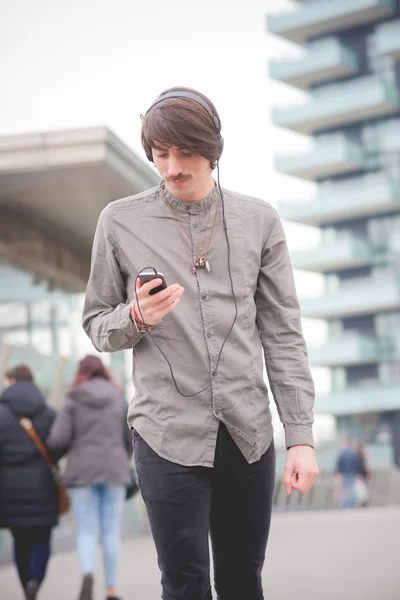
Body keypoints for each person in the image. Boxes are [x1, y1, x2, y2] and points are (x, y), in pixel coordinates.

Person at [82, 87, 319, 600]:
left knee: (241, 582)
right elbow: (97, 323)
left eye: (184, 152)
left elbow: (283, 335)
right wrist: (135, 317)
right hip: (165, 434)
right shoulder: (118, 221)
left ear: (214, 149)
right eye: (160, 154)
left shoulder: (261, 221)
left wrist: (300, 435)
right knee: (185, 585)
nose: (171, 167)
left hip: (248, 433)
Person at [47, 355, 132, 600]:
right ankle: (111, 589)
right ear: (104, 371)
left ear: (81, 372)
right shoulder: (118, 398)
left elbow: (59, 439)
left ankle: (87, 573)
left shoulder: (73, 399)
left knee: (86, 529)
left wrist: (55, 455)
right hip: (114, 470)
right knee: (111, 531)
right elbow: (129, 439)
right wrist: (119, 458)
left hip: (81, 471)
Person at [0, 364, 58, 600]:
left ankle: (26, 587)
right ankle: (35, 580)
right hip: (42, 484)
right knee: (42, 539)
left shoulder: (1, 413)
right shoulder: (47, 412)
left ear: (11, 381)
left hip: (8, 487)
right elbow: (57, 445)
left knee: (20, 540)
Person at [335, 438, 364, 508]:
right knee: (352, 490)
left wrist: (338, 474)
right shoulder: (354, 454)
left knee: (344, 490)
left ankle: (343, 505)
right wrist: (359, 473)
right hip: (353, 474)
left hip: (344, 474)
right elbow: (358, 464)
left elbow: (339, 465)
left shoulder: (341, 454)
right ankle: (351, 505)